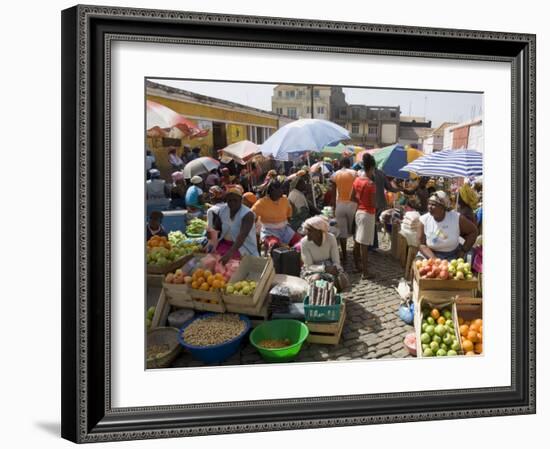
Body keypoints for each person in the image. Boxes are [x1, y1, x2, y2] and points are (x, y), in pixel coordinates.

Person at [417, 191, 478, 261]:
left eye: (433, 204)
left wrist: (463, 250)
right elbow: (421, 244)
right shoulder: (424, 220)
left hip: (452, 255)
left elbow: (473, 231)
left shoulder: (456, 218)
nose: (429, 207)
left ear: (443, 207)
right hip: (430, 254)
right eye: (429, 204)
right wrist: (435, 259)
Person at [207, 185, 259, 263]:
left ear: (241, 200)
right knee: (214, 262)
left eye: (235, 200)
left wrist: (230, 253)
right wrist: (210, 241)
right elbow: (216, 228)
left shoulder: (247, 214)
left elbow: (242, 236)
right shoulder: (222, 210)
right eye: (229, 200)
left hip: (243, 246)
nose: (232, 203)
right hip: (225, 244)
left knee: (235, 265)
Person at [251, 180, 302, 252]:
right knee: (274, 246)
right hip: (270, 232)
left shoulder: (284, 200)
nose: (282, 191)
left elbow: (289, 215)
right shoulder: (261, 203)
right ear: (271, 191)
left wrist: (286, 226)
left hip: (285, 230)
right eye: (279, 189)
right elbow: (250, 215)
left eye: (281, 189)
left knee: (301, 242)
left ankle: (296, 258)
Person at [351, 153, 377, 279]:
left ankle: (357, 266)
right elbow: (373, 203)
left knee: (357, 240)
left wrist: (361, 202)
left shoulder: (357, 180)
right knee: (364, 244)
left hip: (359, 212)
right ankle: (365, 272)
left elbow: (352, 197)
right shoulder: (371, 184)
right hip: (368, 214)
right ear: (372, 168)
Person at [330, 157, 357, 263]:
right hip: (353, 204)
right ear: (349, 164)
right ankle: (356, 254)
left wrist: (334, 206)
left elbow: (333, 192)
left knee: (342, 232)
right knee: (355, 230)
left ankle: (345, 256)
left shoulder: (335, 174)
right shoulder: (355, 173)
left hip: (340, 204)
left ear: (340, 164)